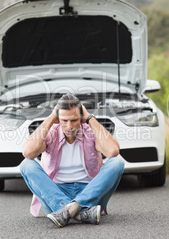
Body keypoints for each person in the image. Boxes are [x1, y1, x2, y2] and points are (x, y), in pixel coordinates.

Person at [20, 93, 125, 228]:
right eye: (64, 120)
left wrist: (90, 118)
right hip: (56, 193)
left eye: (74, 120)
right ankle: (80, 213)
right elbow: (28, 152)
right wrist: (51, 118)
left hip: (90, 191)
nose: (69, 126)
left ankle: (68, 210)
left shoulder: (89, 132)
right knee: (26, 165)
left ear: (80, 118)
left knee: (117, 162)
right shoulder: (52, 132)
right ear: (58, 119)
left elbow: (112, 151)